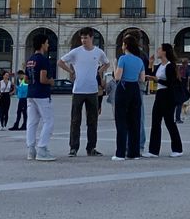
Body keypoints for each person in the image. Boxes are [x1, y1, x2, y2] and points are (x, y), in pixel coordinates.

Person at [58, 27, 109, 157]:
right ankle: (73, 148)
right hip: (78, 90)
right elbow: (60, 62)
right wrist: (71, 72)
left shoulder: (98, 52)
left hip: (92, 91)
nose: (83, 40)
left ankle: (91, 147)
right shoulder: (75, 52)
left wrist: (99, 71)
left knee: (93, 121)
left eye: (86, 38)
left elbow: (107, 63)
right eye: (82, 38)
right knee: (75, 120)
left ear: (92, 38)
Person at [112, 33, 145, 160]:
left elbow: (117, 77)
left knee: (121, 121)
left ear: (126, 46)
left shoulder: (122, 59)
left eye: (123, 44)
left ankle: (120, 153)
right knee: (135, 122)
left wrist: (115, 66)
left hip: (124, 87)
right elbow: (142, 78)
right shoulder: (139, 60)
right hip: (135, 89)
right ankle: (134, 152)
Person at [147, 43, 183, 157]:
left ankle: (177, 149)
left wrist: (158, 80)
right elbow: (152, 75)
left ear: (164, 52)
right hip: (159, 94)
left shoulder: (170, 66)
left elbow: (171, 83)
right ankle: (153, 151)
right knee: (155, 122)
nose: (157, 51)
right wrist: (150, 64)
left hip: (168, 95)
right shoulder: (159, 66)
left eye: (159, 49)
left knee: (169, 122)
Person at [25, 32, 56, 161]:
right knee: (48, 121)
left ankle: (31, 150)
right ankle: (42, 149)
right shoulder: (43, 60)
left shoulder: (30, 60)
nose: (48, 45)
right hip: (41, 94)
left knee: (32, 122)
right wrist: (51, 81)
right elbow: (43, 79)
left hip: (31, 93)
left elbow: (26, 79)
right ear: (42, 44)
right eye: (47, 43)